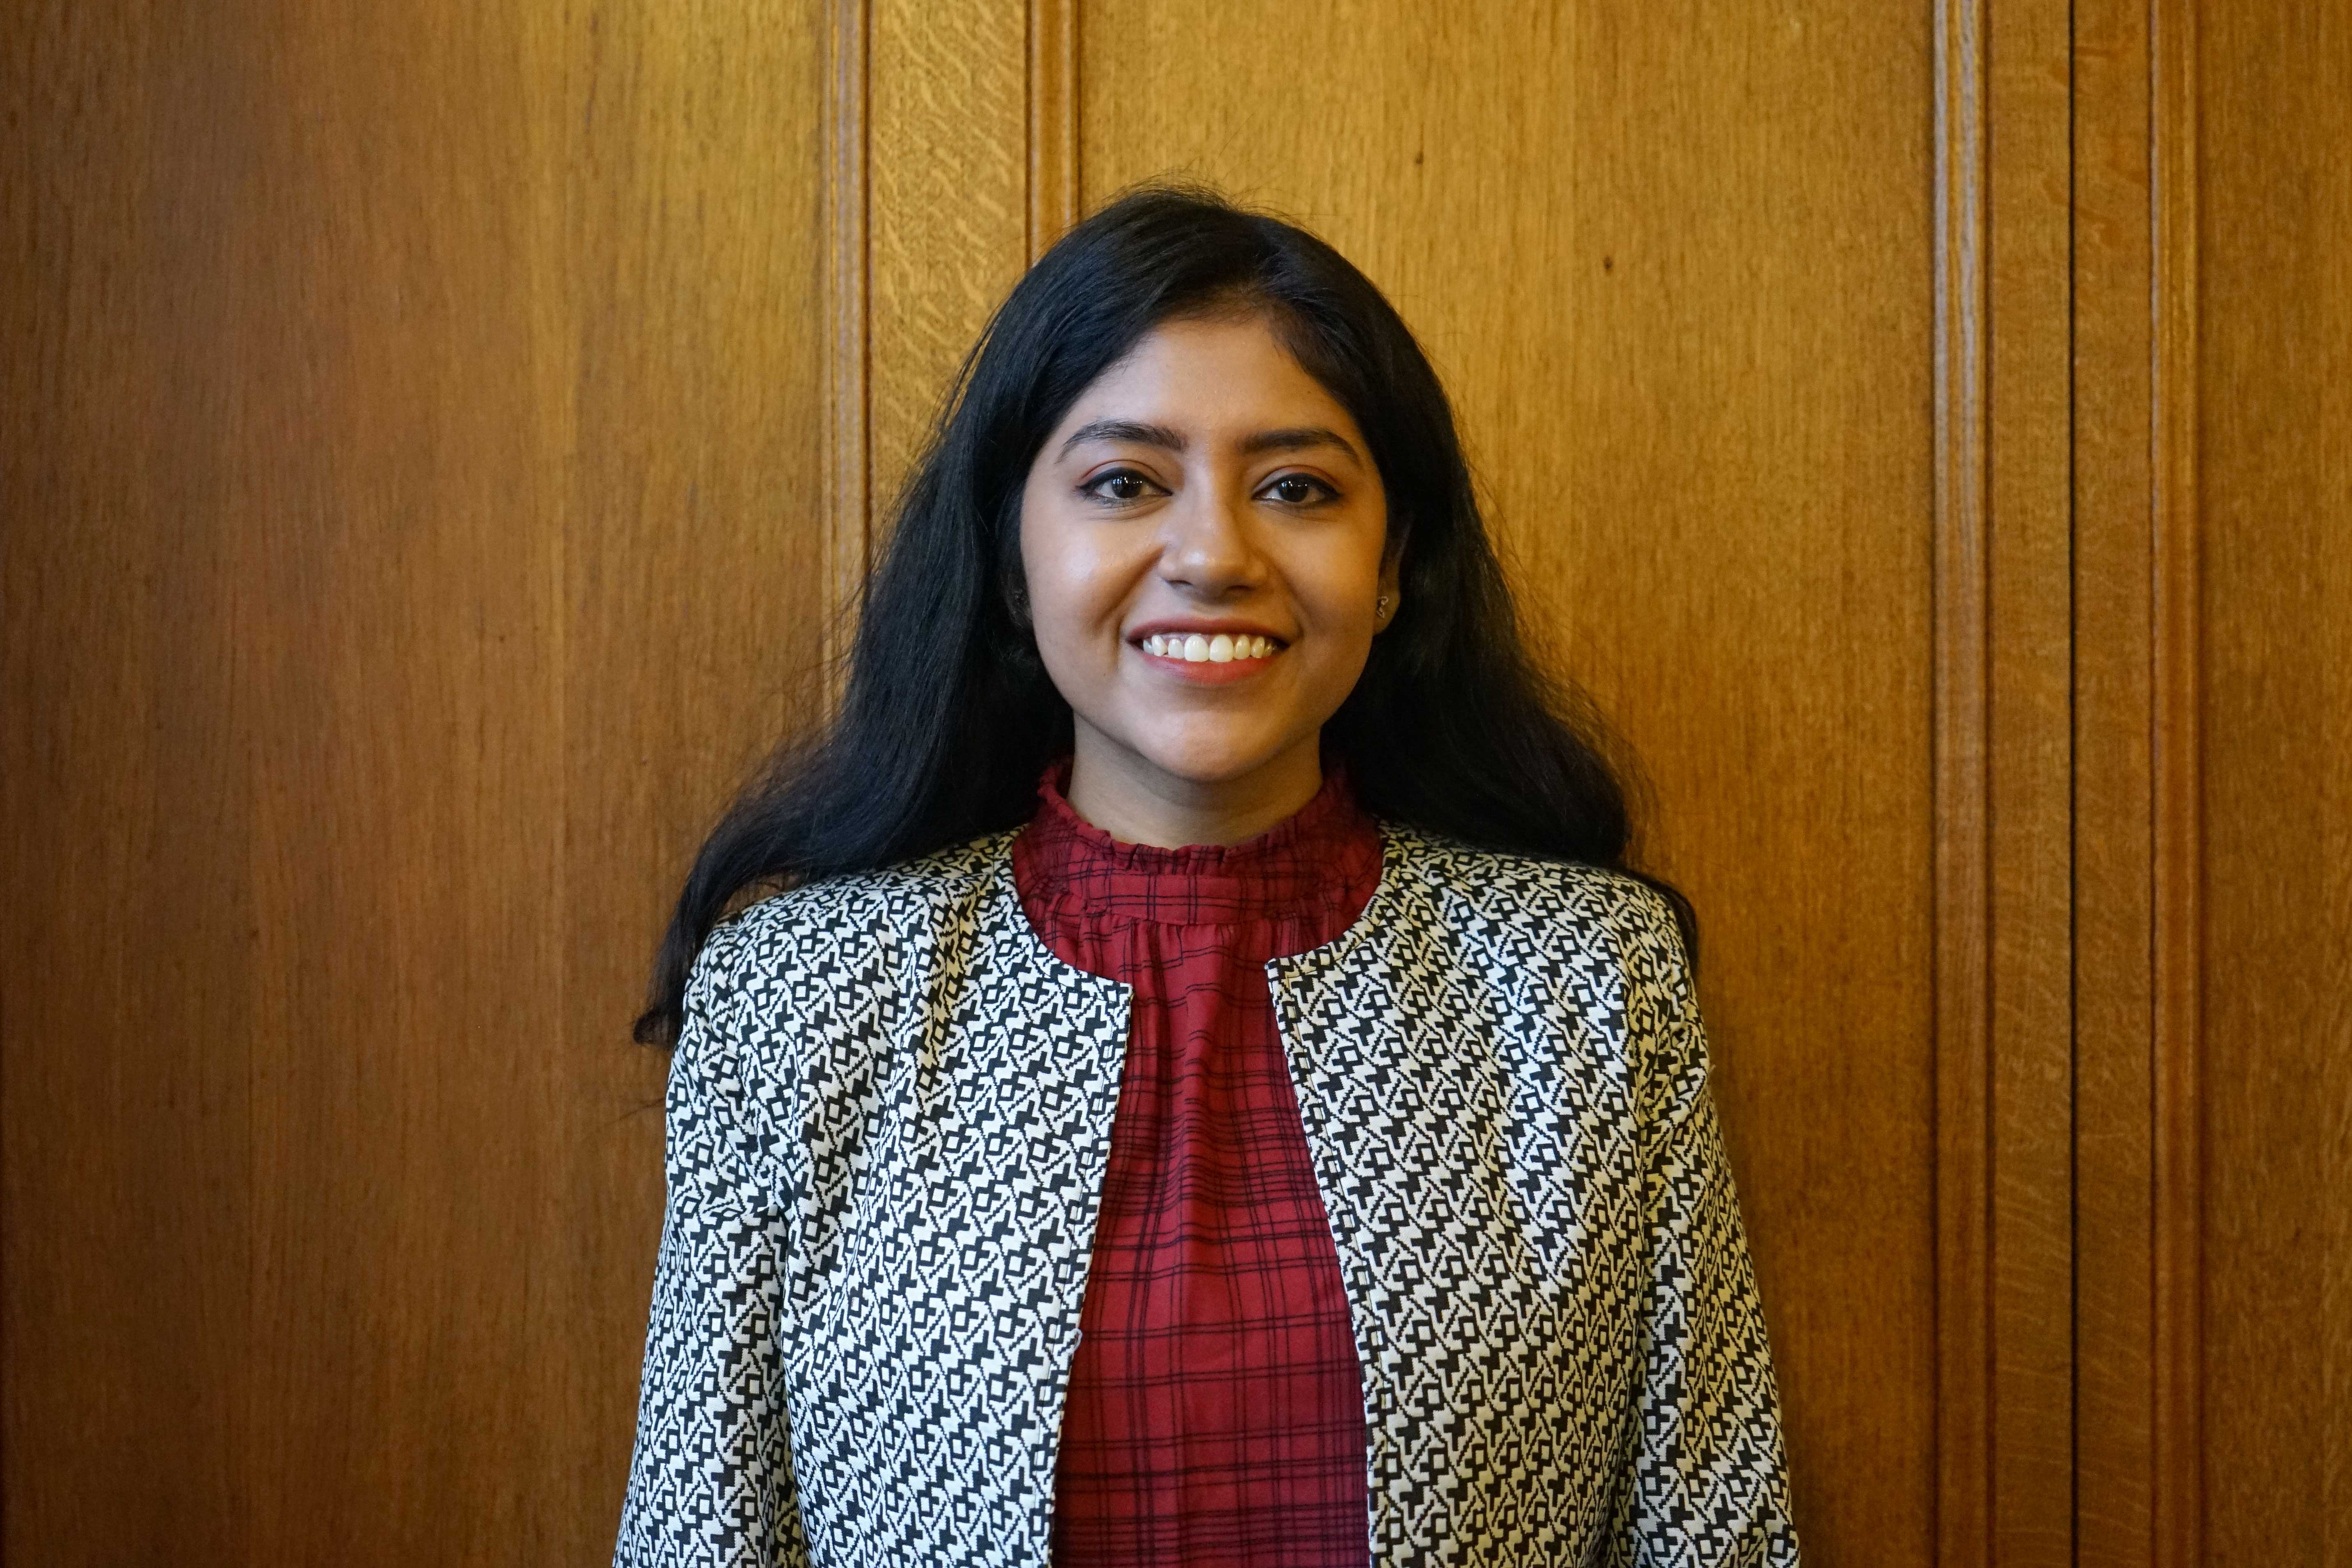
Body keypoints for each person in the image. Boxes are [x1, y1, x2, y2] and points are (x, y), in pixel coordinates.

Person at [613, 184, 1799, 1568]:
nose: (1214, 556)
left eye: (1296, 487)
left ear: (1396, 559)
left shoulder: (1592, 989)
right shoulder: (799, 1001)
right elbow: (701, 1537)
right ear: (1011, 556)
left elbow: (1716, 1532)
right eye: (1125, 482)